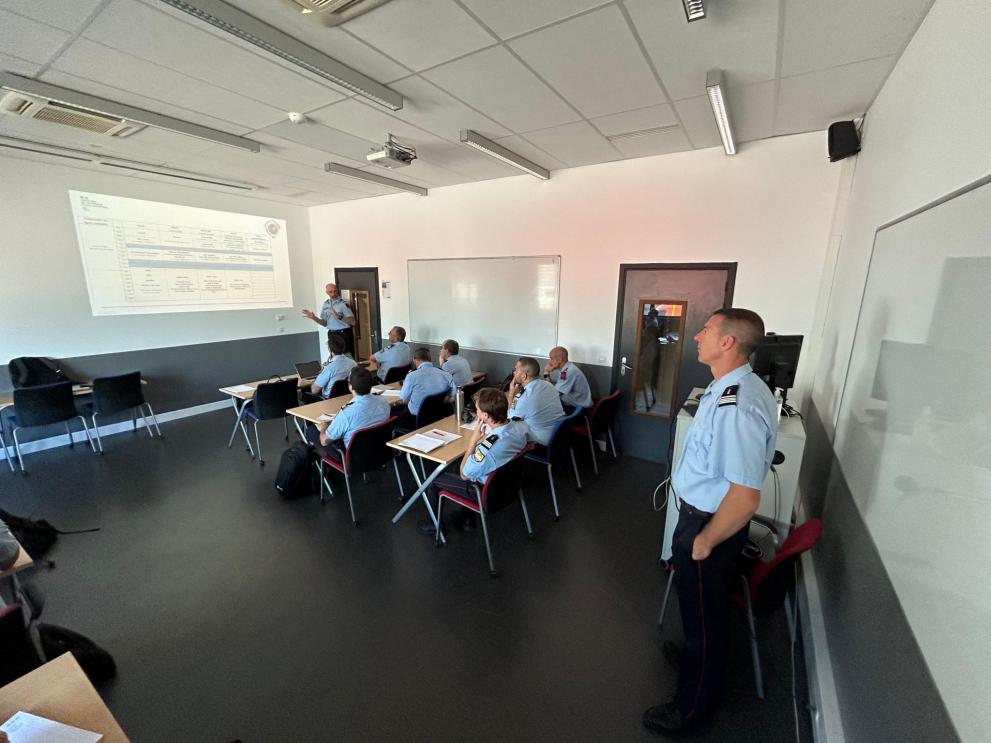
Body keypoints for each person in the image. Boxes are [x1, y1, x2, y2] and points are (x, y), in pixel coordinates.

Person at [642, 308, 779, 736]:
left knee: (705, 620)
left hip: (711, 526)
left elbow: (745, 497)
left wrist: (704, 541)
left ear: (727, 342)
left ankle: (691, 708)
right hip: (700, 518)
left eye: (706, 330)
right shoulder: (725, 388)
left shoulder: (738, 406)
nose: (697, 336)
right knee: (696, 609)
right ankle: (693, 661)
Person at [417, 388, 530, 537]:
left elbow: (464, 475)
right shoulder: (520, 426)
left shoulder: (487, 448)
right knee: (460, 465)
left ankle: (434, 525)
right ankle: (467, 518)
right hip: (510, 485)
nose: (475, 413)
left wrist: (473, 441)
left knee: (435, 481)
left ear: (485, 416)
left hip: (485, 492)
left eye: (477, 410)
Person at [306, 367, 390, 463]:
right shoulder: (384, 402)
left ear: (350, 387)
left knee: (311, 431)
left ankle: (322, 465)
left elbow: (324, 441)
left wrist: (324, 428)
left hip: (354, 460)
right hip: (379, 452)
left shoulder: (346, 413)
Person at [507, 356, 565, 446]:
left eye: (516, 370)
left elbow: (508, 420)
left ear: (524, 376)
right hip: (559, 434)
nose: (514, 373)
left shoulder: (525, 397)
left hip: (541, 441)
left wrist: (511, 394)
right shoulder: (549, 385)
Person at [396, 348, 455, 429]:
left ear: (415, 360)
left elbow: (404, 399)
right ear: (430, 359)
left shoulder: (411, 376)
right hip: (437, 416)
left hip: (415, 419)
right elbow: (454, 395)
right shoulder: (445, 374)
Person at [302, 282, 355, 356]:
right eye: (330, 292)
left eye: (335, 291)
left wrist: (339, 317)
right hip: (331, 334)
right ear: (326, 292)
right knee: (334, 356)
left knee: (346, 356)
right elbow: (324, 323)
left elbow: (353, 322)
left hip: (343, 334)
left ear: (337, 290)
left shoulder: (343, 304)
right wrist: (314, 318)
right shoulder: (326, 304)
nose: (333, 294)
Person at [543, 346, 593, 412]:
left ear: (559, 359)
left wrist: (546, 372)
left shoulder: (568, 372)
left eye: (551, 358)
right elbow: (559, 385)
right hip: (575, 403)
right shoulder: (568, 368)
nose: (549, 362)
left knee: (543, 402)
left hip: (576, 408)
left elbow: (553, 394)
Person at [311, 334, 358, 399]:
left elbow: (314, 390)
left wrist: (321, 373)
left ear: (330, 350)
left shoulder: (329, 368)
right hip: (347, 397)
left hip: (328, 400)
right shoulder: (353, 363)